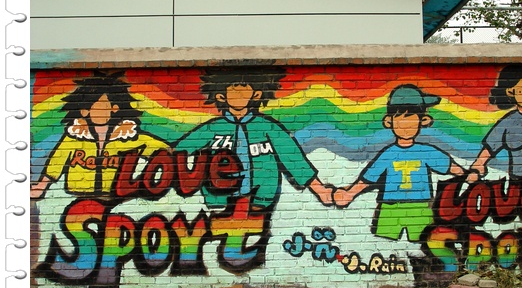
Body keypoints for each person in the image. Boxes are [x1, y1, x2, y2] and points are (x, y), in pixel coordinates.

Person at [173, 67, 333, 212]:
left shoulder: (268, 127)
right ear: (221, 96)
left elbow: (293, 159)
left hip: (261, 200)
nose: (239, 93)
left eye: (244, 87)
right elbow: (178, 153)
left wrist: (320, 190)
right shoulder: (212, 129)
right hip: (219, 200)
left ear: (256, 94)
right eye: (233, 89)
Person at [333, 84, 466, 242]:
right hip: (391, 207)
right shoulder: (388, 154)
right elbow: (369, 177)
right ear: (389, 121)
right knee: (383, 243)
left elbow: (450, 167)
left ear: (424, 120)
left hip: (420, 206)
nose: (406, 124)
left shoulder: (427, 152)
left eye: (411, 119)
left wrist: (467, 176)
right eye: (400, 119)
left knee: (424, 243)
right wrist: (350, 194)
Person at [30, 72, 169, 200]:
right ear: (84, 111)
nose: (97, 111)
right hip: (78, 197)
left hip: (116, 199)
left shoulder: (129, 137)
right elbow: (56, 163)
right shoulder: (74, 137)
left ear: (115, 108)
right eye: (92, 107)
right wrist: (41, 186)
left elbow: (160, 150)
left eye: (102, 106)